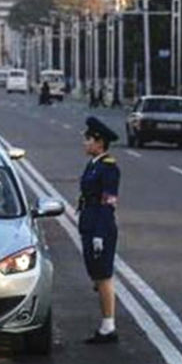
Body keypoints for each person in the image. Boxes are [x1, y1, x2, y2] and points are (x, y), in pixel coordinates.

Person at [78, 115, 121, 345]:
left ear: (99, 142)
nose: (85, 144)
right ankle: (106, 322)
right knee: (97, 275)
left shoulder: (109, 169)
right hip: (90, 222)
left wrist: (99, 234)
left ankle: (108, 326)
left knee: (103, 277)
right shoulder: (93, 164)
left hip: (100, 226)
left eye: (88, 140)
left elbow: (108, 202)